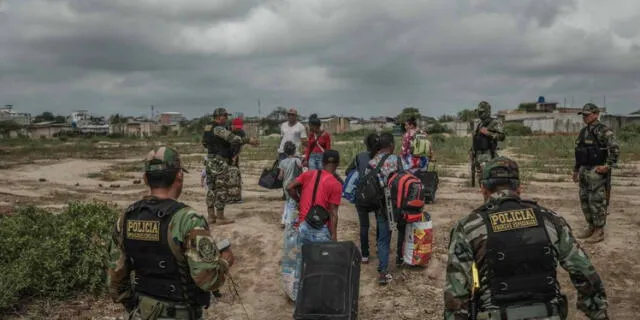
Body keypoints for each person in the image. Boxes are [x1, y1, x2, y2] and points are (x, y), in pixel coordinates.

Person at [444, 156, 609, 320]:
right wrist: (598, 314)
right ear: (519, 188)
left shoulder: (468, 227)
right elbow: (584, 272)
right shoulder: (551, 220)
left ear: (483, 188)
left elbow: (457, 294)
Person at [107, 146, 235, 320]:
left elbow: (115, 280)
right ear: (179, 176)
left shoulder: (126, 217)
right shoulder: (188, 219)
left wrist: (138, 307)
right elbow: (208, 279)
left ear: (145, 178)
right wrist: (225, 262)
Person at [202, 107, 259, 225]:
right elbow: (234, 139)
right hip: (219, 161)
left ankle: (211, 216)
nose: (227, 118)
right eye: (225, 116)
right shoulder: (218, 128)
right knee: (221, 188)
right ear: (219, 117)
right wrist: (249, 140)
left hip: (210, 160)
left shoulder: (207, 128)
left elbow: (204, 143)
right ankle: (220, 216)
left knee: (210, 188)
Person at [572, 103, 620, 243]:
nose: (584, 117)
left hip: (596, 171)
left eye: (587, 115)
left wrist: (607, 166)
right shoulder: (583, 131)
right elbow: (579, 152)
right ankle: (591, 226)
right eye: (583, 115)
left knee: (597, 201)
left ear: (596, 114)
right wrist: (576, 170)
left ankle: (599, 231)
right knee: (585, 199)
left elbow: (615, 149)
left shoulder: (604, 130)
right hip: (584, 170)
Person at [366, 132, 407, 285]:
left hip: (381, 204)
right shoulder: (397, 160)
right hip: (398, 203)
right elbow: (405, 177)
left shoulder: (372, 162)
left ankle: (383, 271)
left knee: (383, 238)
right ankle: (399, 258)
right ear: (390, 146)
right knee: (401, 229)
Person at [287, 150, 343, 243]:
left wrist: (298, 201)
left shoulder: (308, 174)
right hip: (321, 228)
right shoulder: (336, 184)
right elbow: (333, 213)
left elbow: (289, 187)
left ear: (322, 162)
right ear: (338, 164)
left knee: (303, 256)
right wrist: (334, 236)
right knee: (321, 257)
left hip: (303, 224)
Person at [345, 133, 380, 264]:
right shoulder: (382, 158)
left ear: (366, 144)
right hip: (378, 196)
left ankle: (365, 255)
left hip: (362, 197)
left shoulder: (359, 157)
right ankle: (378, 246)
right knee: (380, 222)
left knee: (364, 226)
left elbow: (347, 171)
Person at [471, 101, 505, 181]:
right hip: (478, 154)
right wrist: (472, 150)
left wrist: (489, 133)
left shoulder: (494, 122)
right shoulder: (480, 123)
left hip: (488, 154)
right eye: (478, 112)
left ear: (487, 111)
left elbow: (502, 136)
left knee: (487, 176)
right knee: (480, 177)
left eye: (481, 112)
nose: (479, 114)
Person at [278, 141, 303, 229]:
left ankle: (283, 221)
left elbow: (280, 176)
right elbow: (302, 170)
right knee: (292, 203)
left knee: (288, 202)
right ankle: (289, 222)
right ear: (295, 150)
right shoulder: (297, 160)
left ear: (284, 151)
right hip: (294, 185)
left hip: (285, 185)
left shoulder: (282, 162)